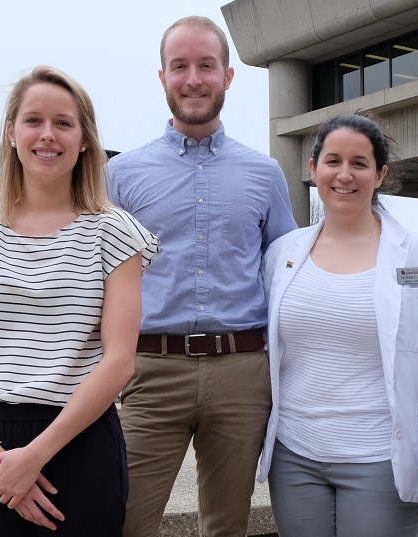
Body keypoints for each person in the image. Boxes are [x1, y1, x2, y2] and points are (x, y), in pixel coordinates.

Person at [0, 65, 160, 537]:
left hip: (78, 441)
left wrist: (35, 457)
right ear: (11, 134)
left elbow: (119, 362)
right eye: (33, 120)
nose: (47, 134)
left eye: (64, 122)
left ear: (84, 140)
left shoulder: (115, 234)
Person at [107, 16, 297, 537]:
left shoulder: (265, 174)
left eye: (206, 66)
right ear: (162, 76)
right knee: (126, 519)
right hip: (148, 371)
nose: (193, 78)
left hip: (241, 372)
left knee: (227, 525)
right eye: (180, 66)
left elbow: (288, 268)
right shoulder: (120, 176)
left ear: (228, 76)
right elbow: (99, 276)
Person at [259, 113, 418, 537]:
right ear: (313, 169)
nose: (345, 174)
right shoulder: (281, 254)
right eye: (333, 161)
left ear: (380, 174)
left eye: (359, 163)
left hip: (381, 456)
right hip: (295, 455)